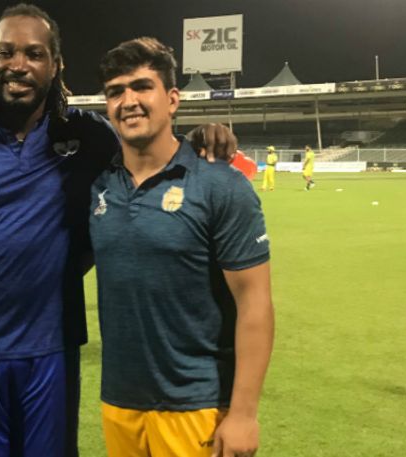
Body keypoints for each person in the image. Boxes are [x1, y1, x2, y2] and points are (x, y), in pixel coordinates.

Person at [0, 5, 237, 457]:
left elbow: (151, 149)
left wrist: (200, 138)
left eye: (34, 54)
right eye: (6, 52)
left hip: (52, 347)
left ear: (55, 65)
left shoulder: (90, 135)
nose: (18, 65)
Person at [91, 37, 274, 457]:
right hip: (119, 401)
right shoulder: (99, 185)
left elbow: (254, 301)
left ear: (172, 99)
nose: (128, 101)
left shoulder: (220, 185)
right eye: (116, 92)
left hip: (197, 405)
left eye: (142, 87)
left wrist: (244, 413)